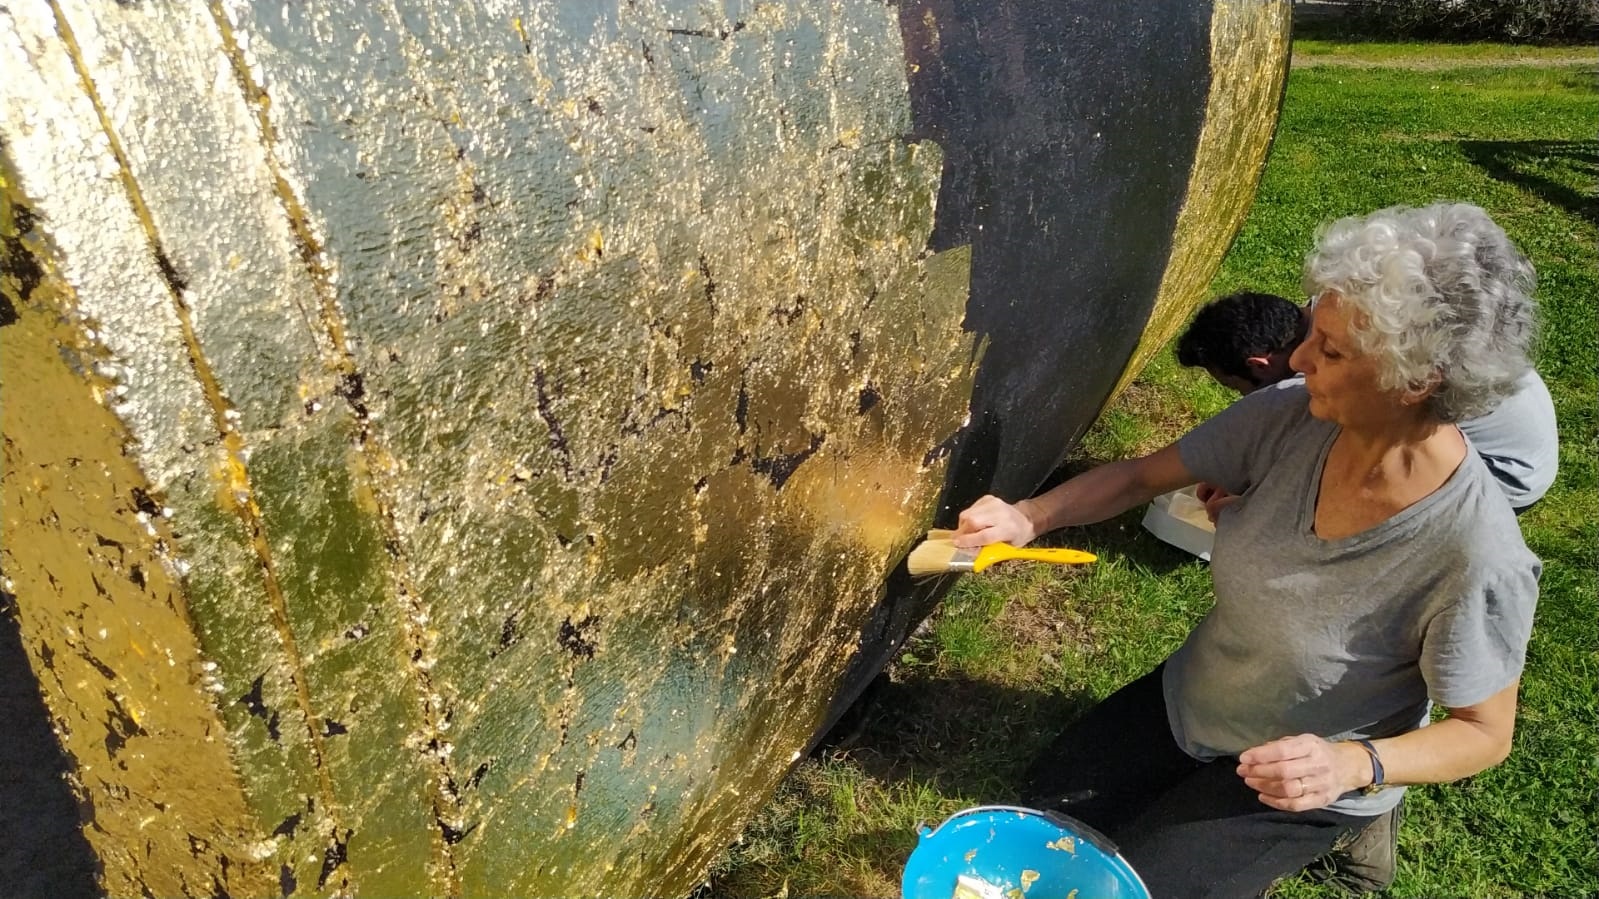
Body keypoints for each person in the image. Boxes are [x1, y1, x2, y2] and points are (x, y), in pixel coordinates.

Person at [953, 202, 1542, 897]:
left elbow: (1482, 732)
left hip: (1303, 773)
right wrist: (1028, 515)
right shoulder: (1291, 413)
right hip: (1199, 699)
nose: (1296, 360)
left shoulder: (1475, 555)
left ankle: (1348, 824)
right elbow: (1143, 475)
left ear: (1413, 382)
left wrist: (1354, 764)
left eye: (1328, 350)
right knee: (1041, 814)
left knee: (1134, 889)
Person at [1177, 291, 1559, 513]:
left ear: (1259, 364)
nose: (1245, 398)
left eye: (1236, 387)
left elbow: (1308, 457)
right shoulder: (1335, 307)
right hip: (1517, 425)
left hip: (1506, 476)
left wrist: (1248, 490)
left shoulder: (1342, 372)